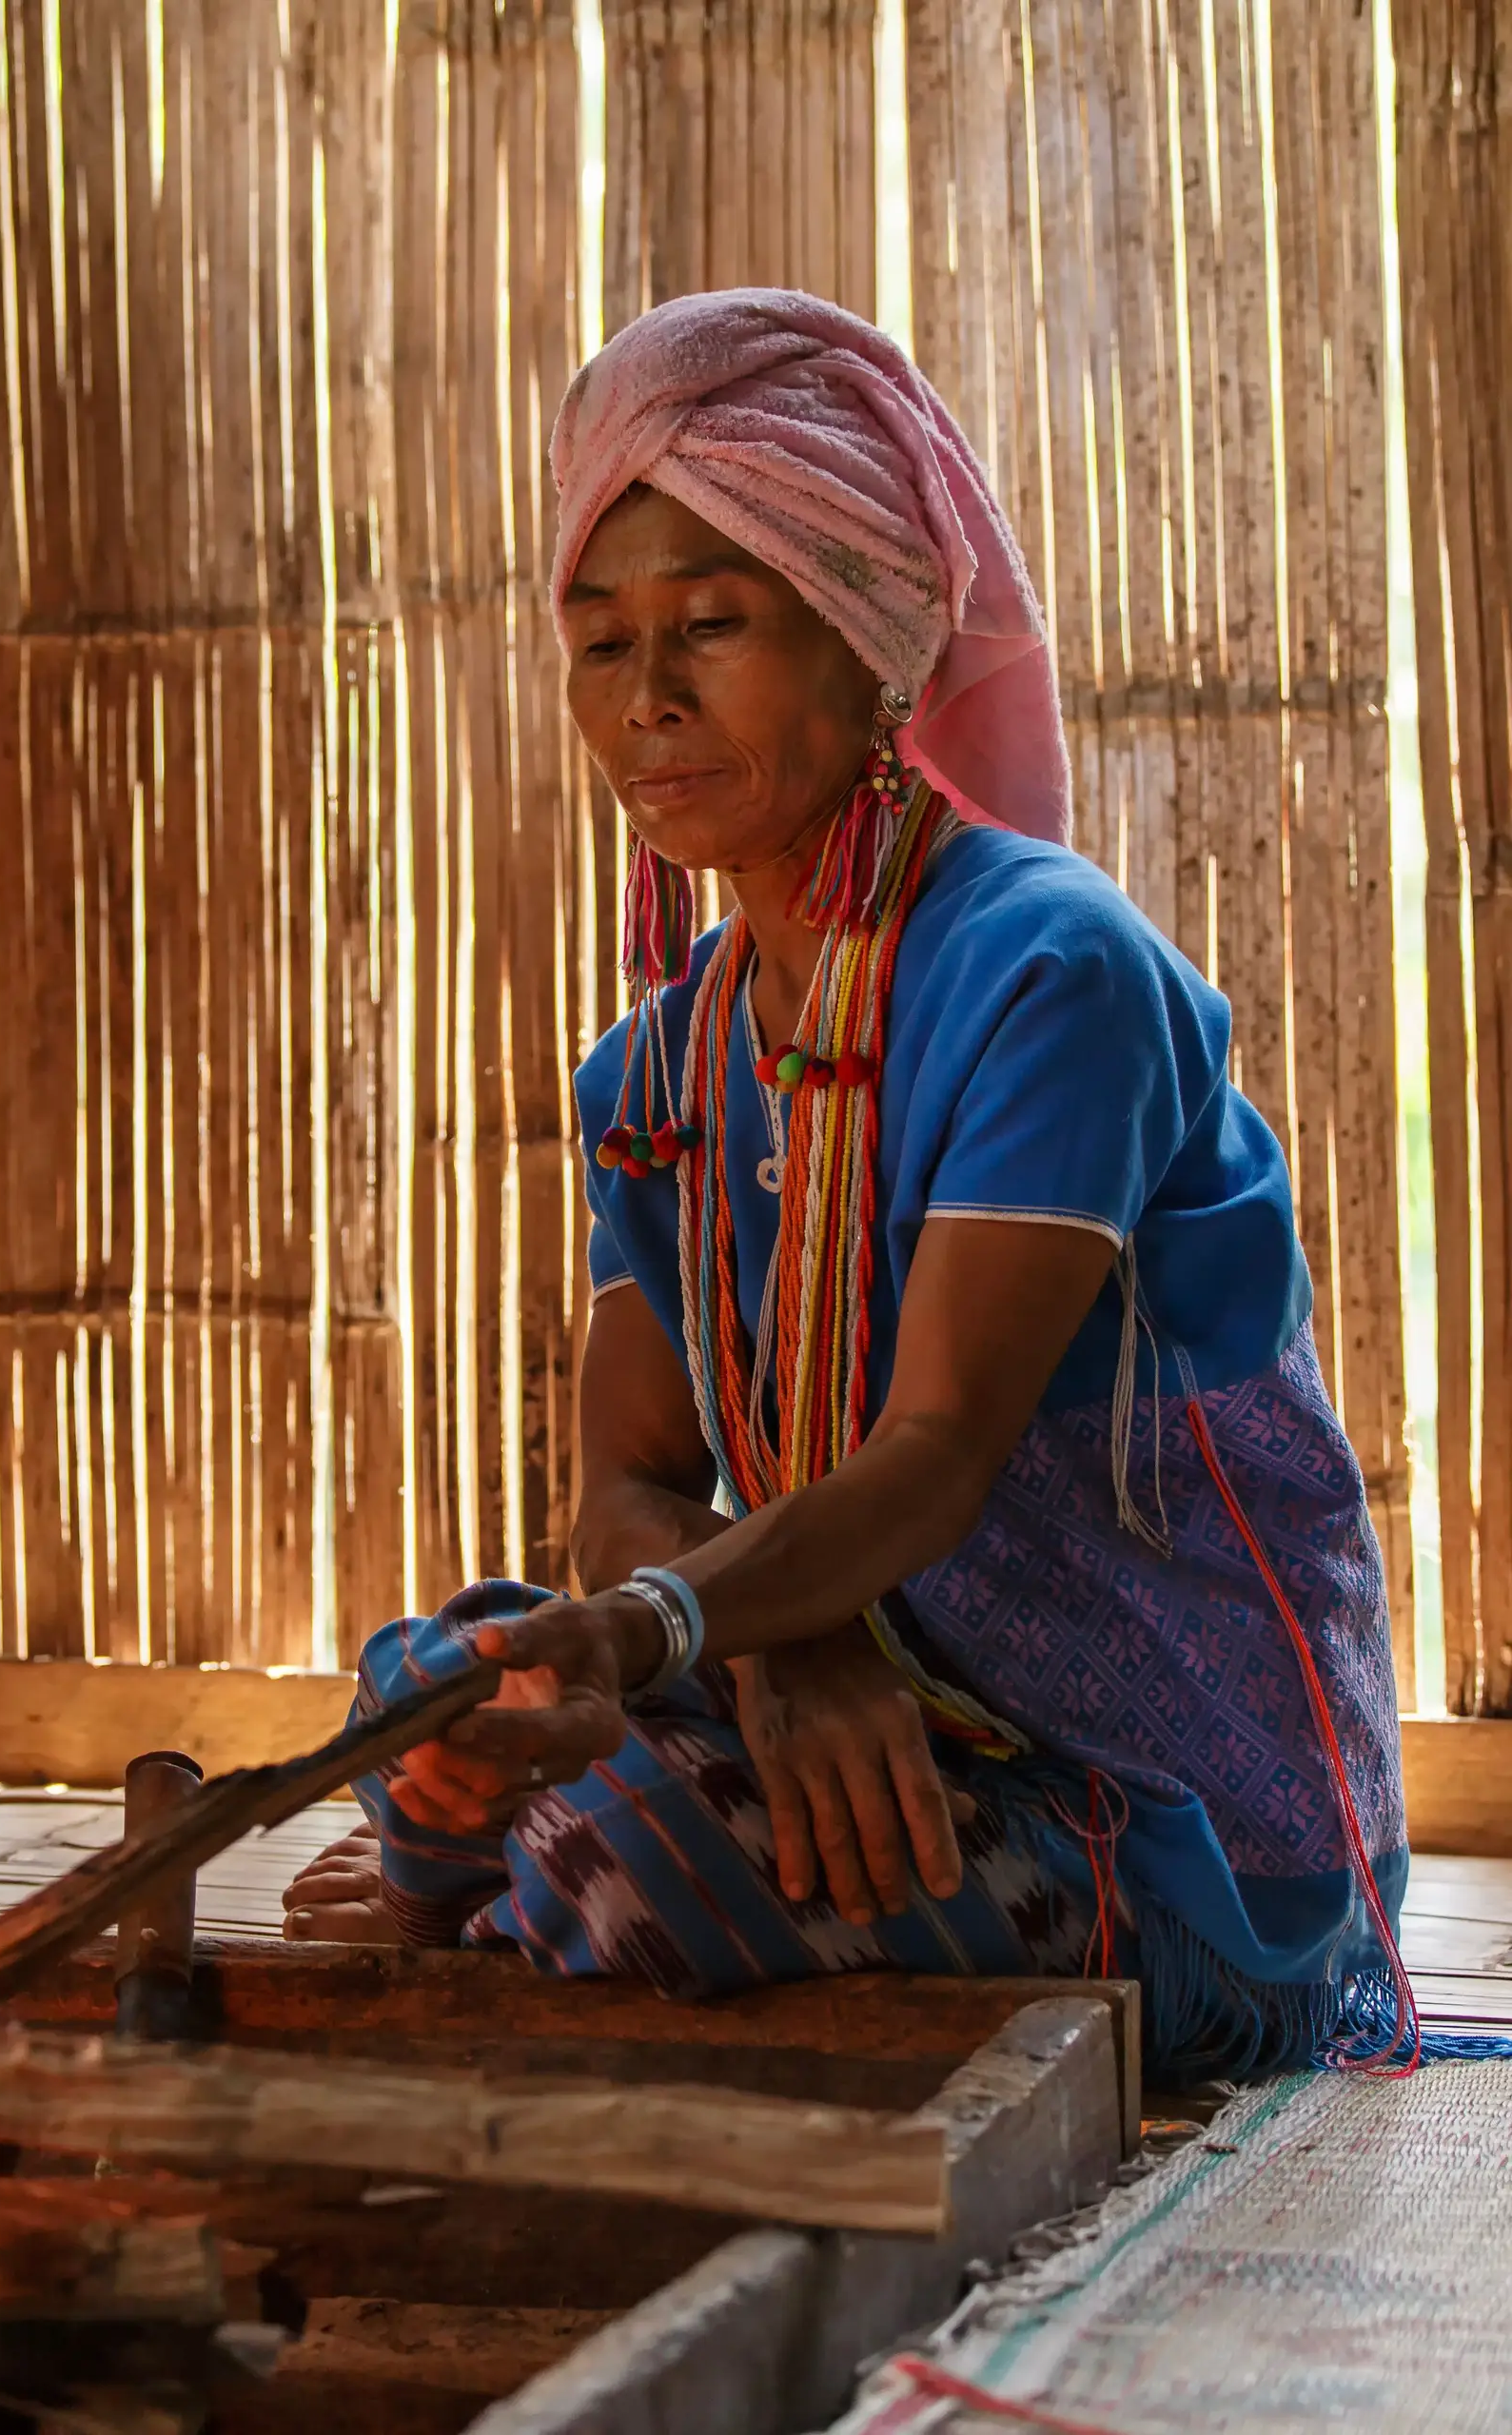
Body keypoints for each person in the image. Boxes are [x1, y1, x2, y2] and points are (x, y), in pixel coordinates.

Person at [284, 287, 1410, 2082]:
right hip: (871, 1721)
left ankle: (511, 1895)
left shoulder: (1052, 974)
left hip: (1166, 1823)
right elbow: (629, 1485)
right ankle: (538, 1883)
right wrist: (779, 1653)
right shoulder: (661, 1072)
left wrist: (685, 1625)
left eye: (711, 625)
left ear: (875, 636)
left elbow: (938, 1453)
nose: (647, 699)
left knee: (620, 1840)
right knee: (448, 1679)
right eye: (599, 642)